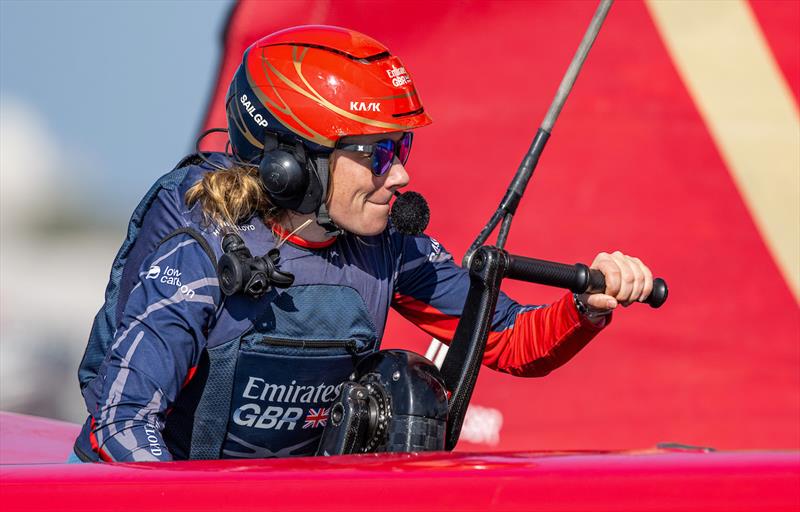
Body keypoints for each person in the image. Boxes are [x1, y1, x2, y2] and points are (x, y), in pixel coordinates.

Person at [72, 25, 654, 462]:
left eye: (401, 151)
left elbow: (507, 341)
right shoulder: (201, 245)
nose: (399, 176)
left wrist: (586, 309)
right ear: (291, 166)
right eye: (377, 155)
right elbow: (120, 423)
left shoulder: (386, 247)